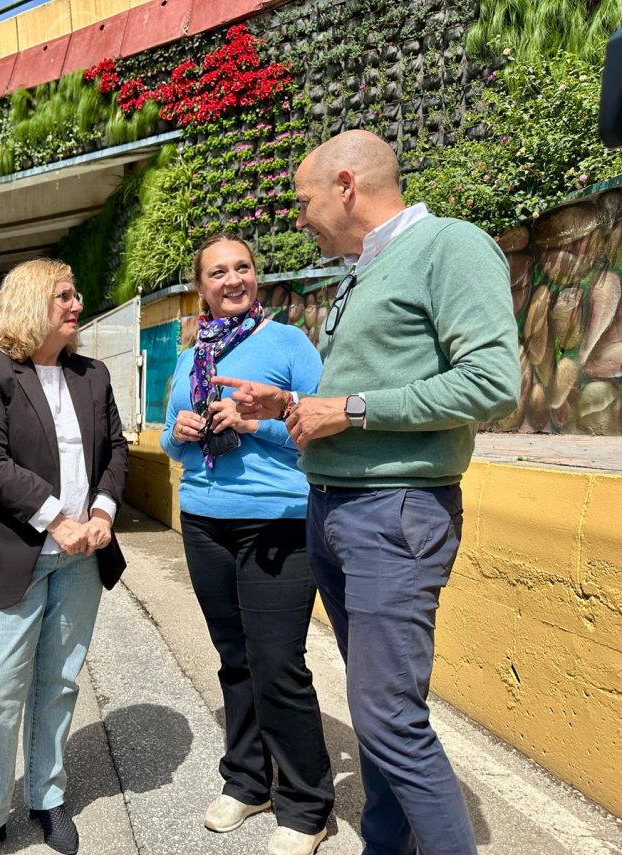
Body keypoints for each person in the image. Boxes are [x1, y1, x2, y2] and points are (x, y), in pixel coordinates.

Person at [217, 130, 520, 855]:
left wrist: (345, 408)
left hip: (395, 511)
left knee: (386, 718)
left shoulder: (452, 245)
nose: (299, 217)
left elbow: (492, 384)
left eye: (303, 199)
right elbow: (370, 388)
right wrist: (288, 404)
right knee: (376, 708)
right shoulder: (363, 269)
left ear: (345, 184)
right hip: (337, 510)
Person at [0, 259, 128, 855]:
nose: (76, 304)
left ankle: (47, 797)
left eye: (75, 293)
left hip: (81, 560)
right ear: (28, 304)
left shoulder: (92, 374)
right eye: (62, 296)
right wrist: (56, 519)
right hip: (12, 554)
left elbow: (116, 449)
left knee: (58, 683)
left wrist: (101, 513)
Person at [160, 235, 333, 855]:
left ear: (255, 277)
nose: (232, 279)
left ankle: (307, 805)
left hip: (278, 522)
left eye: (243, 268)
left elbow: (321, 430)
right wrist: (178, 434)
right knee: (234, 657)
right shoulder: (190, 357)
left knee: (277, 662)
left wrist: (258, 425)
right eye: (217, 272)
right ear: (200, 287)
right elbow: (170, 438)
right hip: (205, 520)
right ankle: (248, 780)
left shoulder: (288, 343)